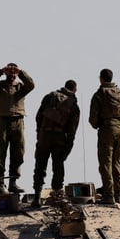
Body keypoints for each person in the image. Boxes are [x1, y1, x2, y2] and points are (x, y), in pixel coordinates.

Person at [0, 62, 35, 192]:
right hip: (2, 121)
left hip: (17, 121)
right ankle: (0, 182)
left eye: (13, 72)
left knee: (18, 151)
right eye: (9, 72)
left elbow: (31, 85)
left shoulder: (20, 87)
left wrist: (21, 72)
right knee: (1, 152)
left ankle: (13, 181)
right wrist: (0, 71)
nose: (11, 74)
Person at [31, 79, 80, 207]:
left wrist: (39, 133)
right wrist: (68, 148)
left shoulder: (50, 96)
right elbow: (72, 130)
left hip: (44, 135)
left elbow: (38, 116)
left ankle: (36, 197)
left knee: (40, 165)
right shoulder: (73, 104)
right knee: (58, 166)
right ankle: (57, 195)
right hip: (59, 137)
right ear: (75, 90)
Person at [88, 68, 120, 204]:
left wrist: (101, 125)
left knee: (105, 163)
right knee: (116, 162)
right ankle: (118, 193)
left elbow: (93, 119)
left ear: (101, 78)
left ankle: (108, 195)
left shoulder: (99, 94)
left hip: (107, 130)